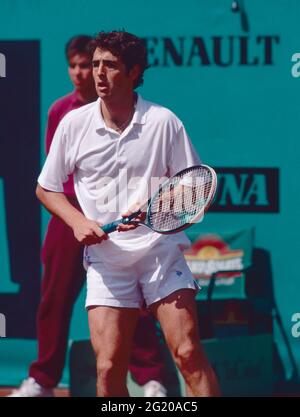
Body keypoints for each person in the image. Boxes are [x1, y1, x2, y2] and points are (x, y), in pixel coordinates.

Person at [35, 30, 220, 397]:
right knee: (107, 368)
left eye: (111, 65)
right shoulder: (73, 124)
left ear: (134, 72)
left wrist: (158, 204)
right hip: (107, 261)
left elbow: (196, 189)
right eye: (97, 64)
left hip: (160, 254)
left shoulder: (164, 122)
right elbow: (46, 187)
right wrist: (78, 222)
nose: (99, 73)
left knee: (187, 353)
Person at [8, 35, 167, 398]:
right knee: (54, 301)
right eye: (78, 66)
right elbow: (56, 178)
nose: (84, 73)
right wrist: (77, 219)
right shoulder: (61, 113)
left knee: (133, 302)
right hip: (70, 219)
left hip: (119, 220)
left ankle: (149, 379)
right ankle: (43, 381)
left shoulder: (131, 111)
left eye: (91, 64)